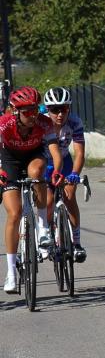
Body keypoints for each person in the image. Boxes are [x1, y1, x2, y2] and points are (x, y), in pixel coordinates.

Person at [0, 86, 63, 293]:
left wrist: (57, 170)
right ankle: (11, 272)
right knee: (15, 213)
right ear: (15, 110)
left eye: (35, 110)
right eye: (27, 112)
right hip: (9, 160)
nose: (33, 115)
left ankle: (43, 226)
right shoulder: (4, 124)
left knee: (37, 173)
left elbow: (55, 153)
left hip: (33, 156)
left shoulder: (44, 123)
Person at [43, 87, 87, 263]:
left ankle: (76, 244)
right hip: (45, 163)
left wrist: (75, 173)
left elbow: (79, 153)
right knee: (46, 202)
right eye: (55, 110)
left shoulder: (75, 122)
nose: (60, 114)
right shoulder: (42, 122)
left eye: (64, 109)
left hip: (66, 161)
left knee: (69, 196)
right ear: (47, 109)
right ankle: (48, 236)